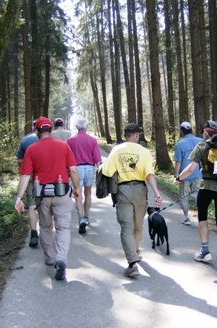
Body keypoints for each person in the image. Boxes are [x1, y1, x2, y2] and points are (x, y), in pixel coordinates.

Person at [15, 117, 80, 281]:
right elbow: (72, 170)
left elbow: (24, 175)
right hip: (62, 192)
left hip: (42, 195)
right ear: (51, 130)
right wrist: (77, 188)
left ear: (37, 132)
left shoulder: (31, 149)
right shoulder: (63, 146)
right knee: (63, 228)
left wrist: (19, 197)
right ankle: (61, 259)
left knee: (45, 227)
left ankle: (50, 258)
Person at [172, 120, 217, 270]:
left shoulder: (202, 146)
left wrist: (178, 179)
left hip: (206, 187)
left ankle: (205, 252)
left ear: (205, 132)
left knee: (203, 218)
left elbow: (191, 168)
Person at [102, 123, 162, 278]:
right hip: (141, 190)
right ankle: (134, 254)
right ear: (136, 135)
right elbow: (149, 174)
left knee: (126, 227)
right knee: (138, 225)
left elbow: (107, 171)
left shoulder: (117, 150)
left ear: (125, 135)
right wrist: (156, 193)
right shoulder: (144, 152)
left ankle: (132, 262)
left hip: (123, 190)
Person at [67, 118, 102, 234]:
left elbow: (67, 158)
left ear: (76, 127)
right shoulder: (92, 140)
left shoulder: (71, 141)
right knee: (88, 193)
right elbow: (97, 158)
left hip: (76, 168)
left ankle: (81, 218)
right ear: (86, 127)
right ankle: (86, 217)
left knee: (77, 193)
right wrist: (100, 171)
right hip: (89, 168)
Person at [173, 121, 203, 226]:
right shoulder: (200, 141)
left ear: (182, 131)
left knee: (183, 196)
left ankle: (186, 218)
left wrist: (176, 176)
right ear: (191, 130)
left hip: (184, 175)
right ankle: (201, 218)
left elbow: (178, 162)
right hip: (198, 174)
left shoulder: (180, 144)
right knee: (198, 196)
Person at [16, 120, 39, 248]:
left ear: (33, 127)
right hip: (46, 177)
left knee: (32, 205)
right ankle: (48, 233)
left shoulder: (26, 140)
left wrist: (25, 169)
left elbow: (20, 160)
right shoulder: (48, 139)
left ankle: (34, 233)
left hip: (30, 176)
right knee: (46, 205)